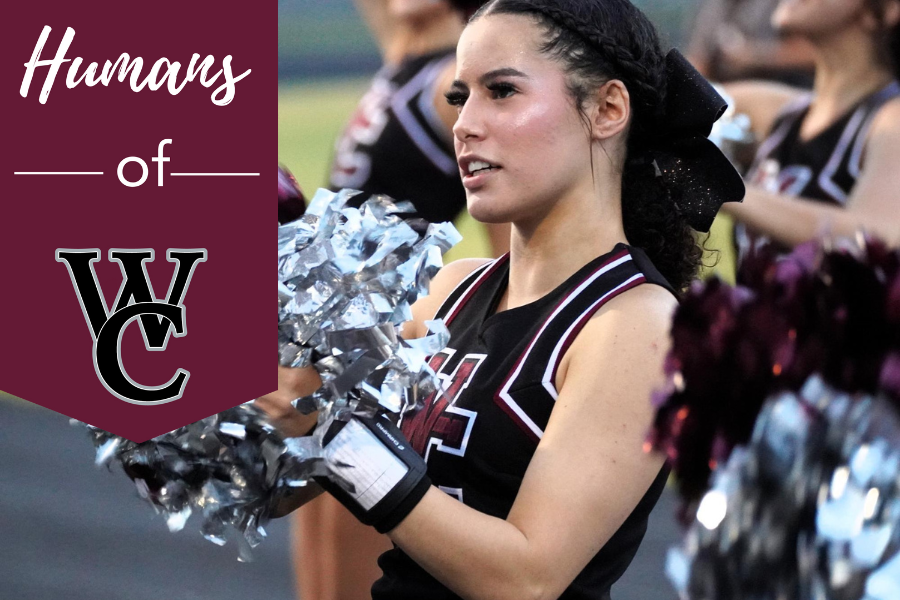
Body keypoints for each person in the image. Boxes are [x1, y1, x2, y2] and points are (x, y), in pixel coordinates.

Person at [258, 0, 743, 598]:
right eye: (461, 97)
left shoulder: (636, 325)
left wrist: (335, 433)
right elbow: (282, 483)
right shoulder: (448, 291)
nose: (464, 123)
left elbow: (527, 580)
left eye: (503, 91)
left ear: (607, 109)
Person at [329, 0, 510, 257]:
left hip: (380, 291)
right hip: (323, 283)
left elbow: (509, 252)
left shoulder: (457, 86)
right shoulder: (406, 53)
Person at [724, 0, 900, 260]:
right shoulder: (783, 113)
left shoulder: (890, 120)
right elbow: (667, 97)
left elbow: (878, 236)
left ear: (888, 9)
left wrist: (723, 188)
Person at [686, 0, 816, 87]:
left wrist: (755, 55)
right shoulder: (718, 5)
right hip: (727, 90)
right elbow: (699, 59)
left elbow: (813, 51)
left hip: (784, 88)